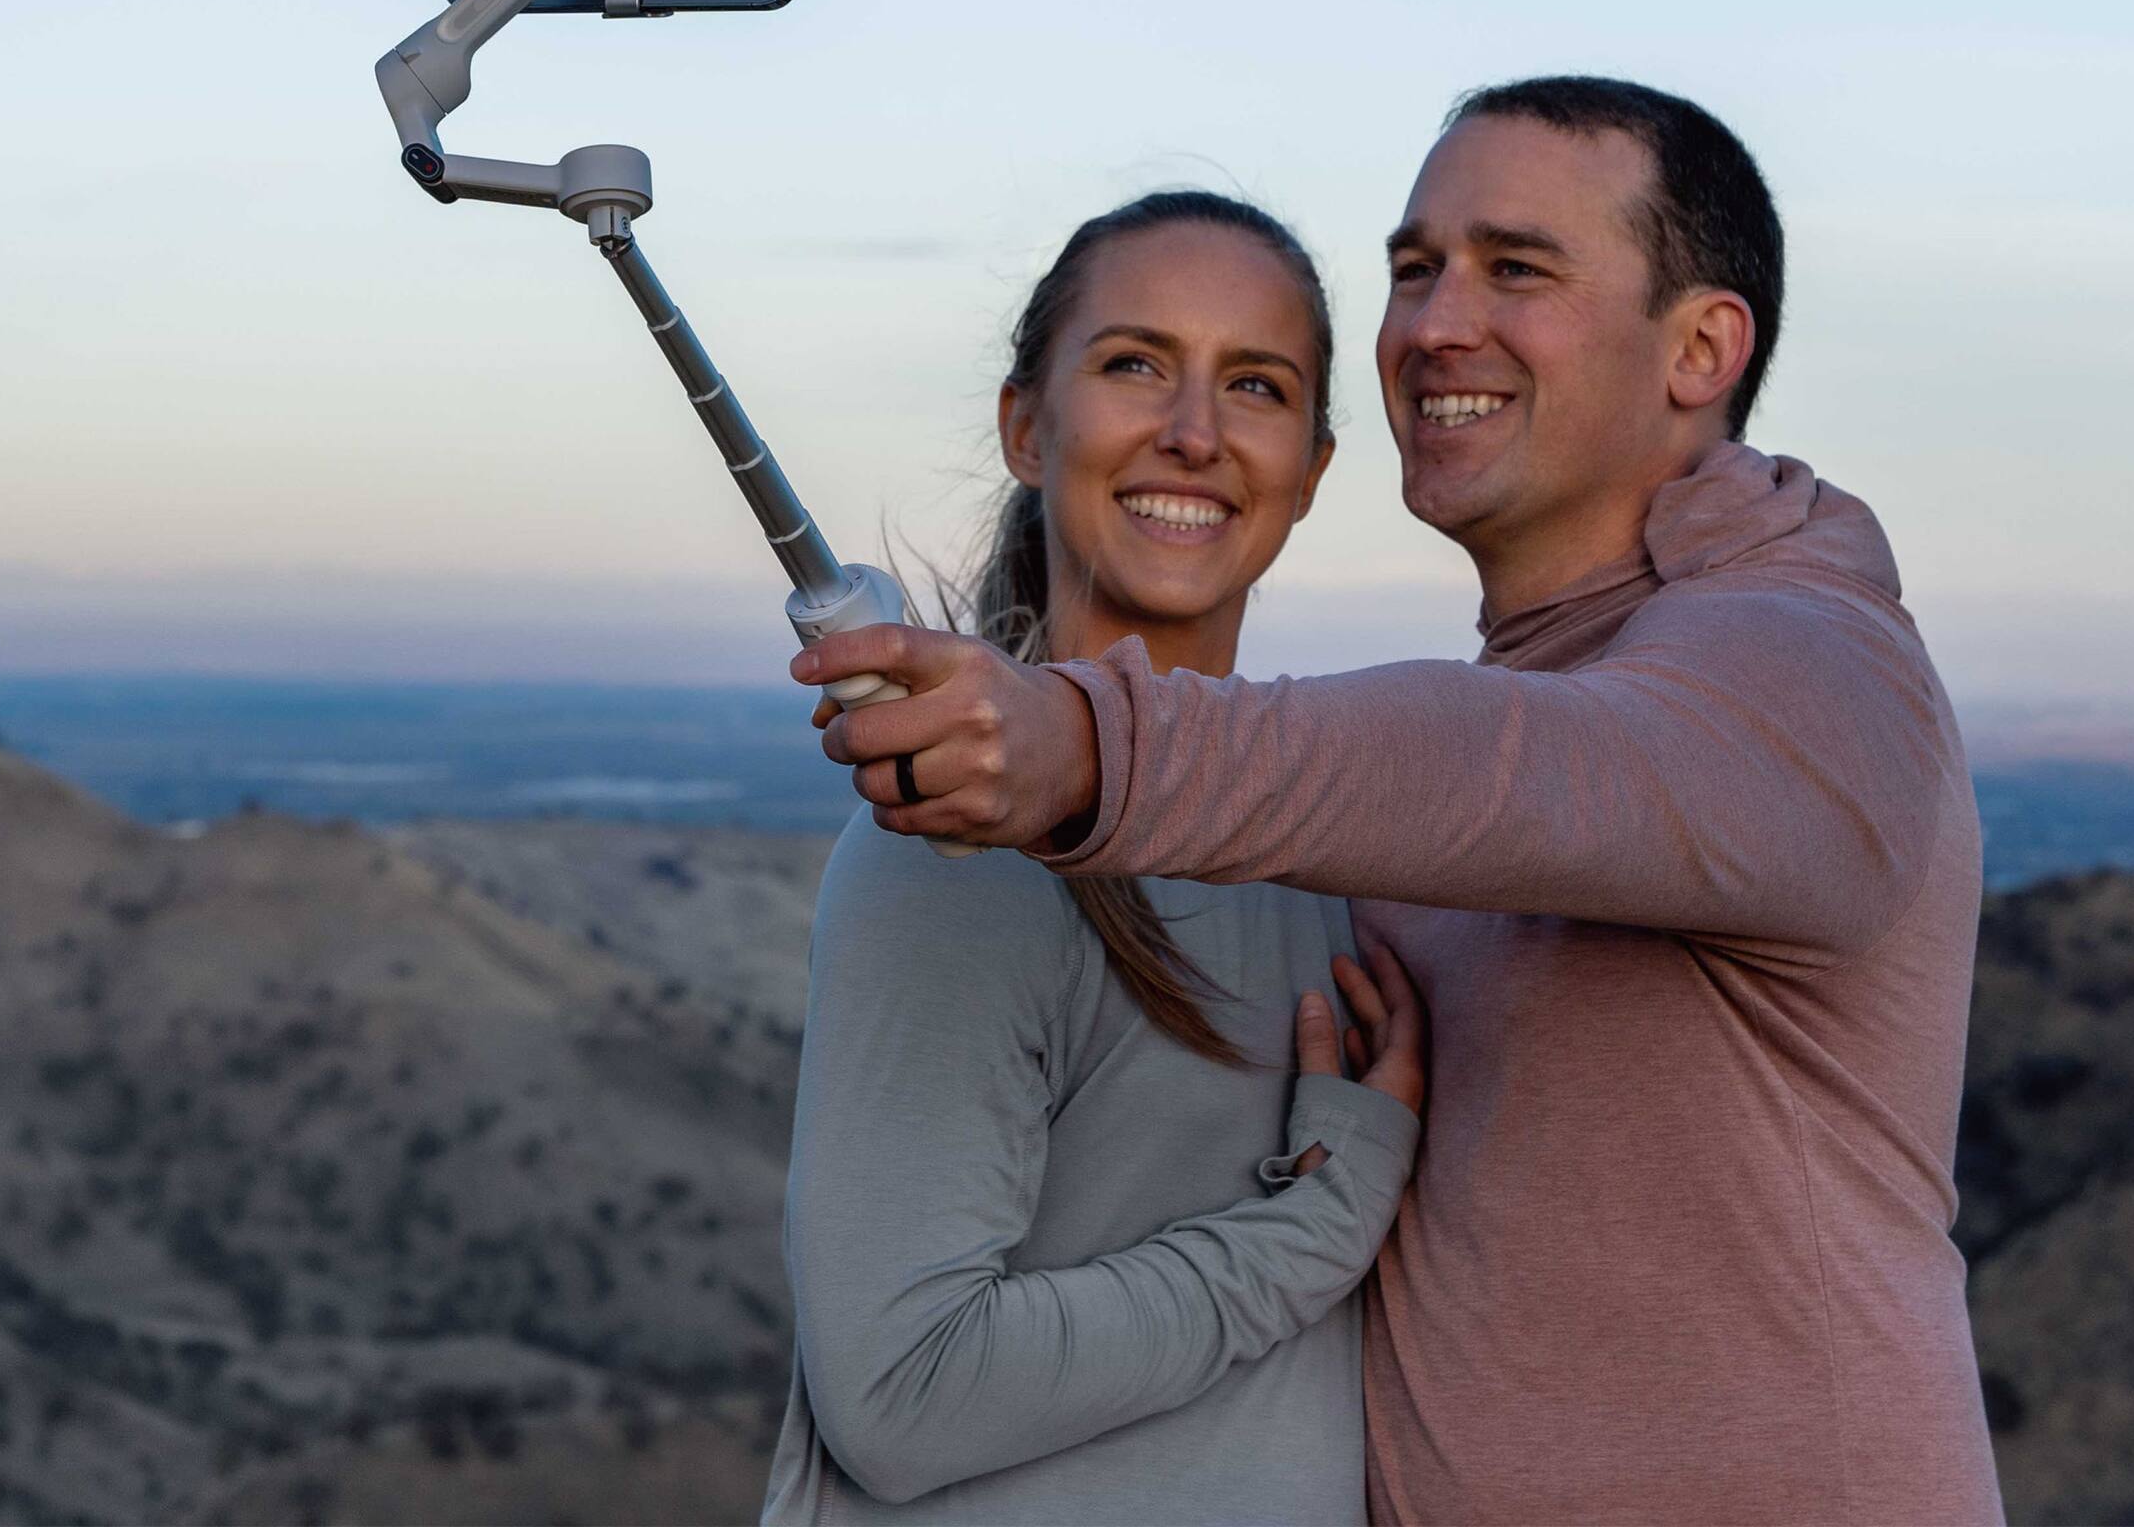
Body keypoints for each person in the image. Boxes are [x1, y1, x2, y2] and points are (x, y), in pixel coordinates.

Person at [793, 80, 2003, 1524]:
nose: (1434, 325)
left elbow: (1541, 771)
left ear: (1699, 348)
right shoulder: (1385, 829)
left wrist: (1084, 742)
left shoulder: (1811, 664)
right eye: (1416, 268)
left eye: (1517, 268)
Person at [765, 191, 1429, 1526]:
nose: (1194, 432)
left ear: (1310, 468)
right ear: (1028, 426)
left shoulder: (1322, 843)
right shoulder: (956, 857)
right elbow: (901, 1393)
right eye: (1135, 364)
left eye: (1255, 385)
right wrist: (1321, 1221)